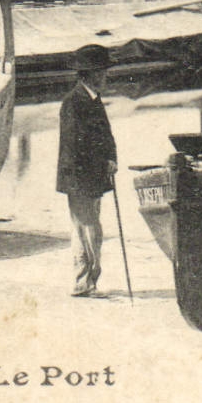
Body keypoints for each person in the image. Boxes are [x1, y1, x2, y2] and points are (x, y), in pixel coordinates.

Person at [56, 44, 117, 297]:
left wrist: (111, 158)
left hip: (92, 176)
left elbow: (106, 135)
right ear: (90, 74)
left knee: (87, 228)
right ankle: (85, 282)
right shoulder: (74, 102)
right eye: (102, 72)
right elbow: (73, 145)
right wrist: (97, 167)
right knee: (88, 229)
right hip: (80, 177)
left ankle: (85, 281)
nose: (105, 76)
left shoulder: (93, 99)